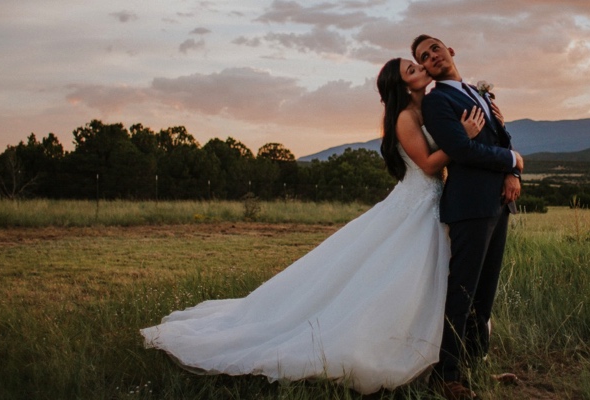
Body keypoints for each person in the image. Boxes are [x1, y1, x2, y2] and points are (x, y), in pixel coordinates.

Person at [140, 58, 486, 394]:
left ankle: (443, 353)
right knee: (396, 277)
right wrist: (463, 141)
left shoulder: (428, 108)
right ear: (402, 85)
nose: (422, 68)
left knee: (416, 278)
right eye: (413, 69)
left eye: (419, 64)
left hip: (431, 203)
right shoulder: (406, 118)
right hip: (417, 202)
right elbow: (426, 164)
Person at [412, 34, 523, 400]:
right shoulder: (437, 102)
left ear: (450, 51)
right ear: (426, 70)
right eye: (423, 57)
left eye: (434, 49)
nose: (431, 57)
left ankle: (475, 368)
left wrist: (512, 173)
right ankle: (447, 376)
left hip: (498, 202)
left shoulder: (478, 92)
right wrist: (509, 160)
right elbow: (460, 150)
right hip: (469, 206)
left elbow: (499, 136)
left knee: (484, 296)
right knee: (462, 293)